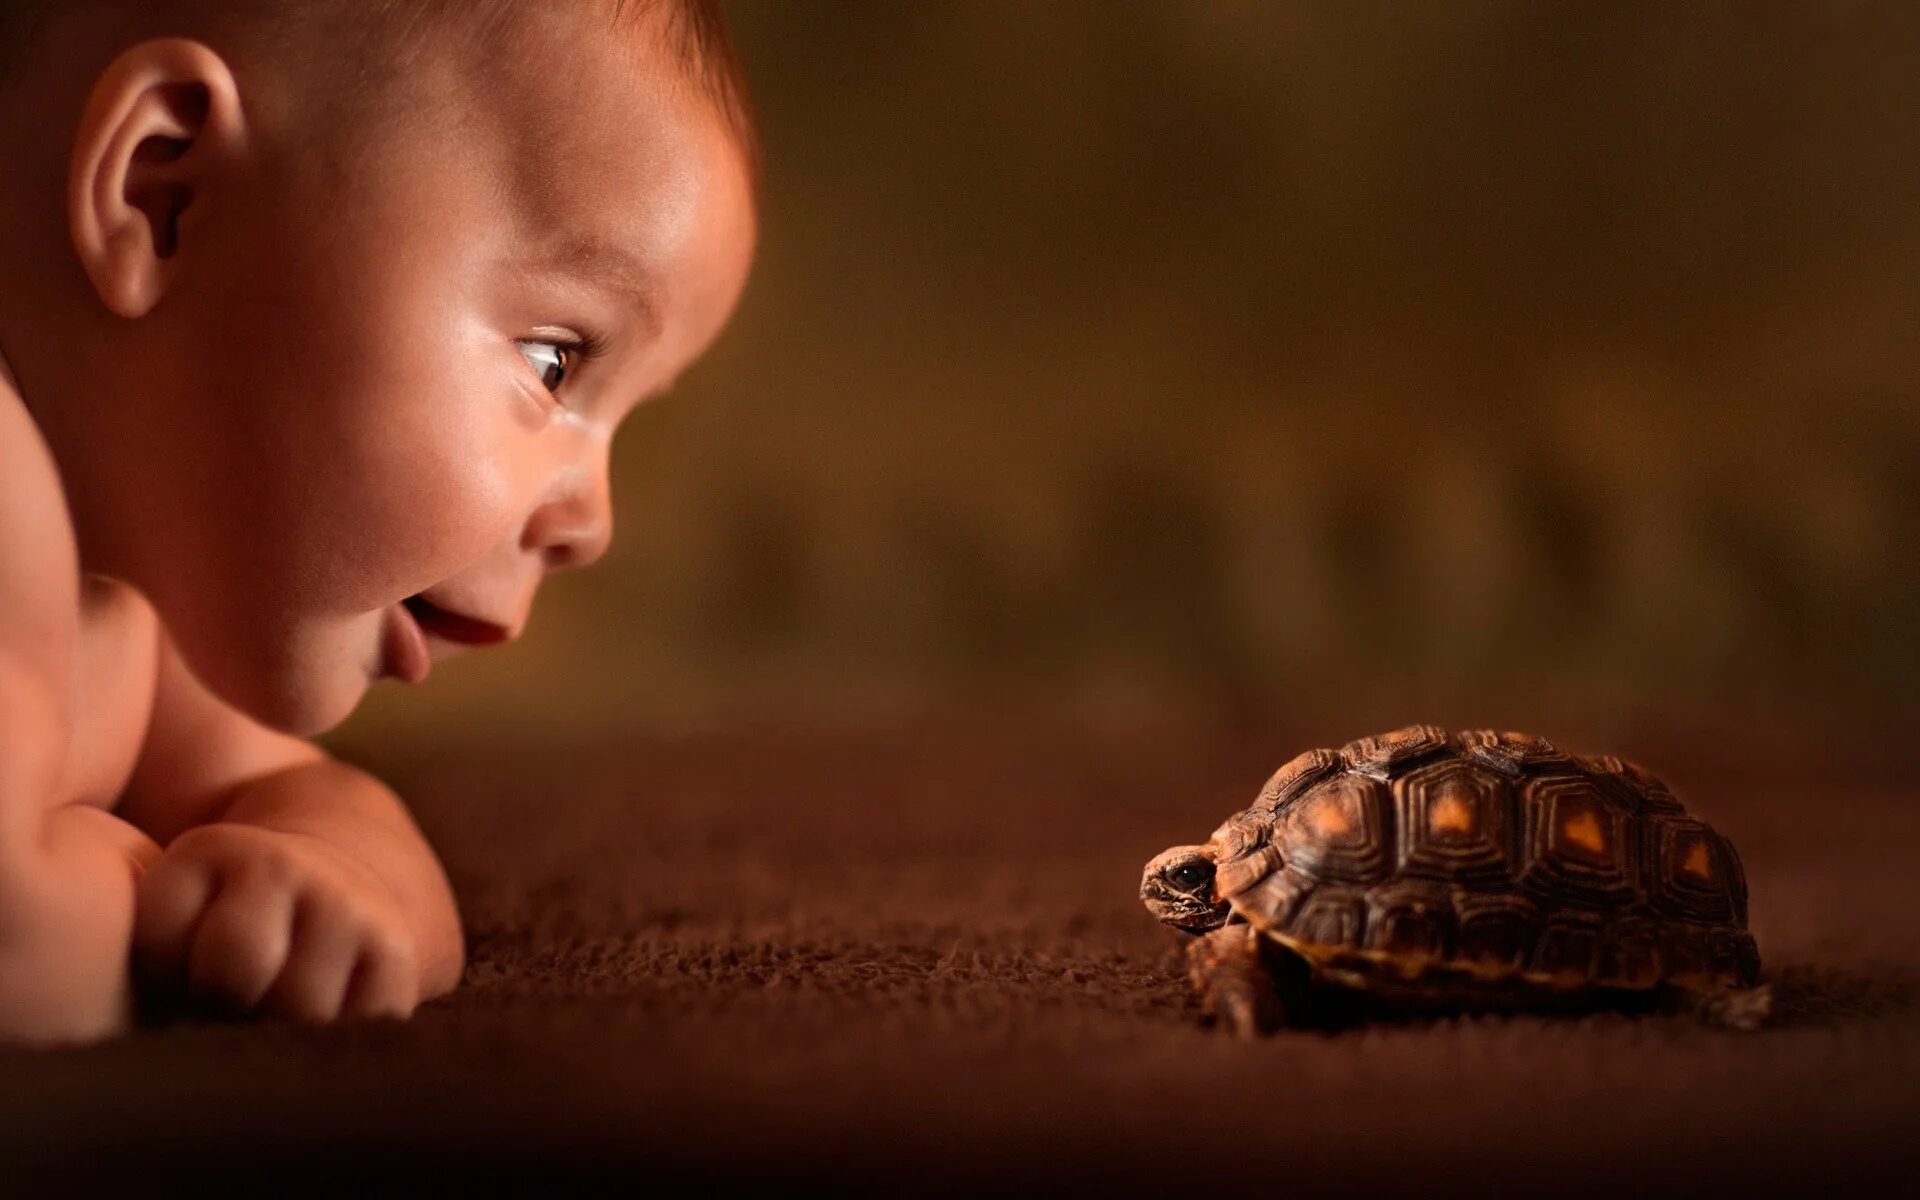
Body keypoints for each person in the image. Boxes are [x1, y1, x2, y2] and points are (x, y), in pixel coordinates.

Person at [0, 0, 758, 1044]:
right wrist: (138, 871)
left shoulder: (143, 585)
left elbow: (302, 800)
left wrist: (333, 882)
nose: (594, 525)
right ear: (164, 195)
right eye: (555, 361)